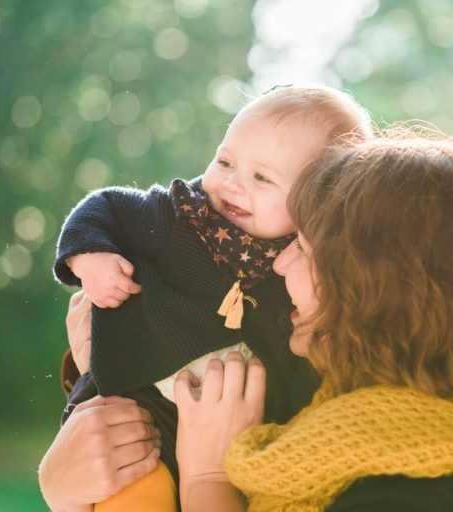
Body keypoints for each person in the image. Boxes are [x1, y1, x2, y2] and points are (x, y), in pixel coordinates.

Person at [171, 128, 453, 511]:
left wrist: (206, 480)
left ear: (373, 287)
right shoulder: (350, 421)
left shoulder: (435, 489)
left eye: (302, 247)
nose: (280, 265)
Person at [48, 83, 373, 511]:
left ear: (317, 205)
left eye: (262, 178)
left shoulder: (300, 276)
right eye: (224, 161)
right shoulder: (182, 216)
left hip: (229, 445)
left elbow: (300, 375)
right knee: (135, 491)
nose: (233, 184)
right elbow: (105, 206)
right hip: (130, 403)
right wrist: (91, 258)